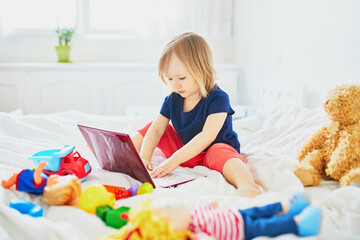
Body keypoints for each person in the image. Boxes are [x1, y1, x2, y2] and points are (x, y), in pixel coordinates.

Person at [131, 32, 260, 197]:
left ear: (202, 70)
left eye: (181, 77)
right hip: (186, 151)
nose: (175, 84)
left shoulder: (218, 98)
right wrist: (145, 156)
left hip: (210, 153)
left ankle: (247, 185)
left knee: (219, 150)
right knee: (151, 126)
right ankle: (126, 155)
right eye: (169, 79)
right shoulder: (172, 98)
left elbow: (208, 135)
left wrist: (174, 161)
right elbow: (156, 130)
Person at [2, 161, 81, 206]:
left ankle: (6, 184)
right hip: (28, 178)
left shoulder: (42, 184)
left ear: (51, 188)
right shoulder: (46, 184)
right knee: (15, 176)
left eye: (57, 178)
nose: (57, 176)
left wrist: (40, 167)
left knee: (15, 177)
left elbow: (37, 176)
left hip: (24, 179)